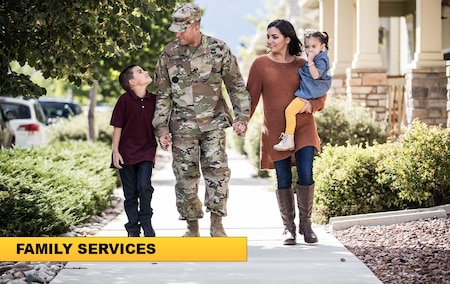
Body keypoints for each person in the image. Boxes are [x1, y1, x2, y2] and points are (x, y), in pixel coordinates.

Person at [152, 3, 250, 237]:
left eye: (182, 29)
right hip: (181, 126)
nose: (177, 33)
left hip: (213, 123)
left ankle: (217, 224)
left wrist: (242, 117)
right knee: (185, 175)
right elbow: (163, 94)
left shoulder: (219, 50)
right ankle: (191, 226)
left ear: (196, 26)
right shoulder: (168, 54)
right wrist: (161, 128)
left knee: (217, 172)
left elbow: (236, 85)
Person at [246, 19, 327, 245]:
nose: (270, 41)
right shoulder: (260, 64)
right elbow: (250, 98)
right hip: (276, 131)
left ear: (287, 39)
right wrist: (242, 122)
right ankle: (288, 228)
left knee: (306, 173)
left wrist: (313, 105)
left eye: (275, 37)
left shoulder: (304, 64)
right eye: (268, 37)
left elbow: (321, 88)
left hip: (303, 127)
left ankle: (306, 225)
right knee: (282, 178)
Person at [110, 64, 158, 237]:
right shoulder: (124, 100)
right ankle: (132, 228)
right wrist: (115, 152)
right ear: (132, 82)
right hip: (126, 153)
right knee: (130, 194)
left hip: (147, 150)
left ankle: (146, 221)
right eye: (140, 72)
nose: (145, 72)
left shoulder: (155, 100)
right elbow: (117, 127)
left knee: (144, 187)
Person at [273, 30, 331, 151]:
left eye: (314, 46)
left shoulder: (321, 60)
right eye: (307, 47)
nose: (310, 50)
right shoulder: (318, 57)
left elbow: (315, 75)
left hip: (309, 94)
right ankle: (289, 138)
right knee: (290, 111)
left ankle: (289, 140)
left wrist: (310, 61)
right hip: (308, 92)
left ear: (323, 46)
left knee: (289, 111)